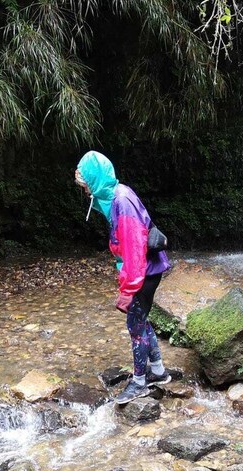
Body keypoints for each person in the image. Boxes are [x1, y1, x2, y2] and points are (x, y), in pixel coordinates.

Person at [75, 151, 172, 404]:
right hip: (146, 271)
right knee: (141, 320)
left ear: (95, 180)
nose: (86, 192)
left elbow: (133, 250)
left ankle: (140, 382)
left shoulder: (122, 201)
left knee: (135, 326)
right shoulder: (115, 194)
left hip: (145, 272)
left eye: (86, 186)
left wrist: (128, 290)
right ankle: (159, 372)